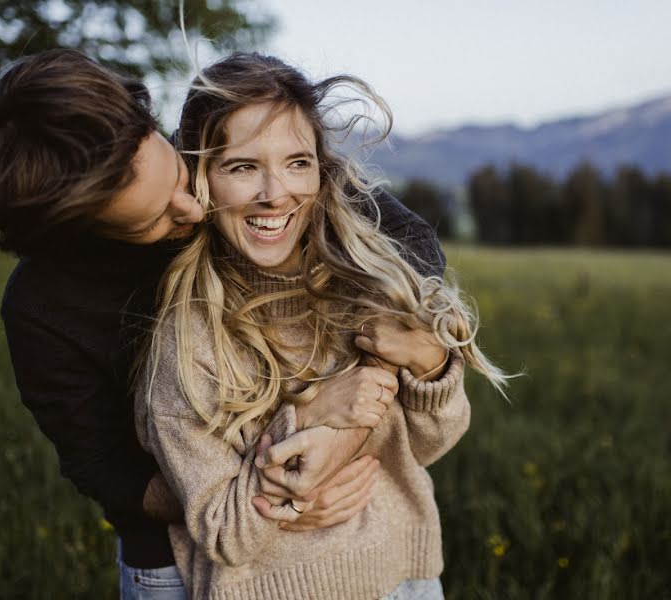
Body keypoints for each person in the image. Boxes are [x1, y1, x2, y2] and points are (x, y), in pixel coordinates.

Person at [0, 48, 446, 598]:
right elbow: (103, 468)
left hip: (353, 537)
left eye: (177, 172)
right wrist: (277, 499)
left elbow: (408, 244)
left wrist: (342, 435)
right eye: (157, 217)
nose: (193, 209)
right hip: (179, 561)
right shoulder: (42, 310)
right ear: (78, 230)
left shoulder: (225, 173)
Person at [135, 52, 507, 599]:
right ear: (202, 178)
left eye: (296, 162)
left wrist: (429, 363)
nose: (275, 192)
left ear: (321, 169)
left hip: (401, 578)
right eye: (242, 166)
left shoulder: (365, 285)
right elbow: (222, 531)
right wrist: (307, 418)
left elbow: (426, 447)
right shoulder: (187, 339)